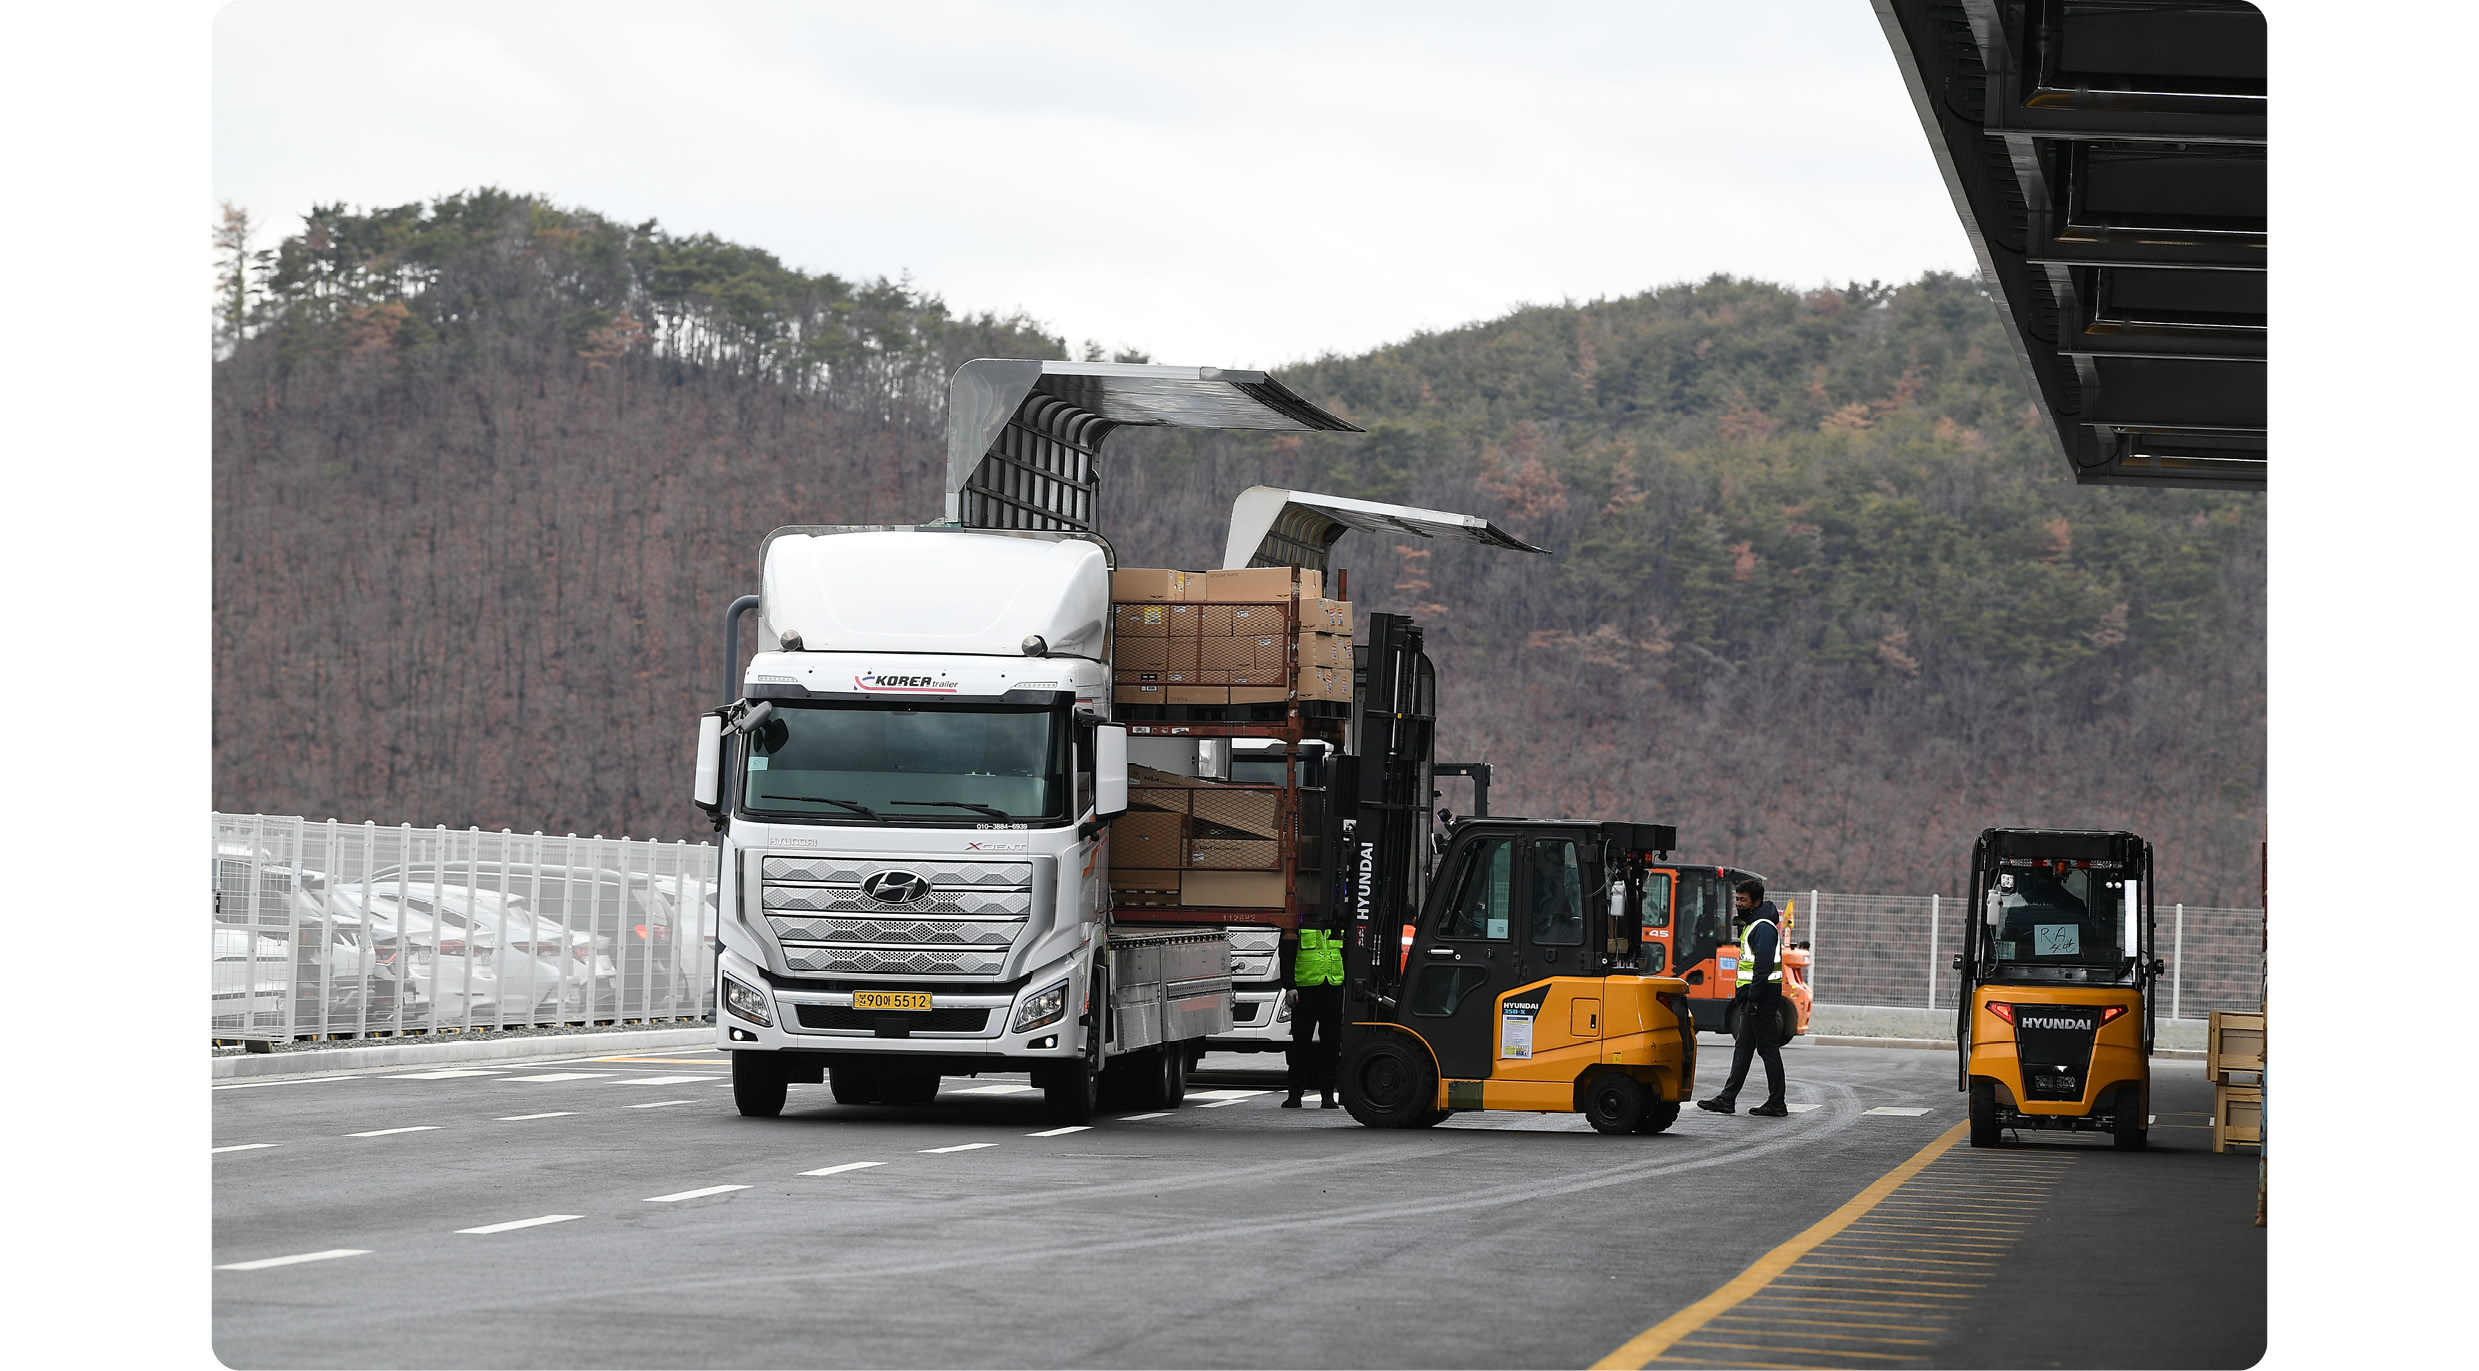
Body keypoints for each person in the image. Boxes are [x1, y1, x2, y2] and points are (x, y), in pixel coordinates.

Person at [1697, 878, 1789, 1118]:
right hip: (1753, 997)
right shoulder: (1755, 924)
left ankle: (1777, 1103)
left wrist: (1755, 997)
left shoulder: (1763, 928)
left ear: (1755, 902)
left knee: (1767, 1050)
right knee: (1743, 1048)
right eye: (1737, 899)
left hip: (1761, 998)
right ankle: (1727, 1099)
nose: (1738, 904)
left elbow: (1763, 965)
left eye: (1742, 900)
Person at [1283, 919, 1345, 1109]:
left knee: (1332, 1046)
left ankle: (1328, 1096)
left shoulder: (1339, 923)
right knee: (1301, 1045)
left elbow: (1349, 954)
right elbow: (1286, 954)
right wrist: (1289, 986)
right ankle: (1295, 1095)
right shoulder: (1299, 924)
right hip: (1305, 990)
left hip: (1333, 988)